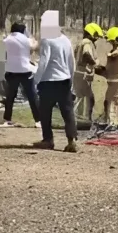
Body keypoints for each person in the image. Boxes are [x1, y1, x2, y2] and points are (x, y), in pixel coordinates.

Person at [33, 23, 78, 152]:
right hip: (64, 80)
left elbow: (44, 61)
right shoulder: (66, 40)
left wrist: (36, 79)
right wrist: (71, 78)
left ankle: (48, 139)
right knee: (68, 111)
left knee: (45, 112)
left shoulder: (47, 40)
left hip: (49, 80)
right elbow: (71, 61)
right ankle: (72, 140)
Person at [2, 22, 38, 125]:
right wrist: (33, 38)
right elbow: (34, 46)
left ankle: (7, 119)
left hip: (11, 71)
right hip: (25, 71)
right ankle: (38, 120)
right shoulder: (26, 39)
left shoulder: (6, 40)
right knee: (32, 96)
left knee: (10, 96)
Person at [96, 26, 118, 128]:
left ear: (117, 39)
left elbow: (114, 56)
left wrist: (106, 56)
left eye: (112, 41)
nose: (111, 44)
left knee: (112, 101)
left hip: (117, 81)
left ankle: (112, 123)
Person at [73, 23, 103, 123]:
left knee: (80, 97)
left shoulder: (80, 42)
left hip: (78, 73)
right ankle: (85, 119)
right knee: (89, 98)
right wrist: (95, 65)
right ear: (91, 33)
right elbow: (86, 54)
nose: (97, 39)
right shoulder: (87, 43)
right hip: (83, 75)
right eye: (96, 36)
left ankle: (77, 119)